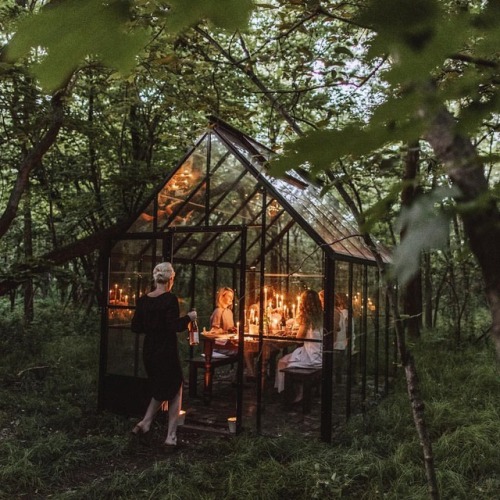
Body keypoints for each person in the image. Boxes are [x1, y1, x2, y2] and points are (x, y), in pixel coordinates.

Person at [130, 262, 197, 447]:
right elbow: (173, 326)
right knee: (175, 387)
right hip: (165, 350)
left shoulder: (143, 300)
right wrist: (189, 318)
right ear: (171, 279)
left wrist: (151, 325)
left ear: (155, 277)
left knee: (161, 386)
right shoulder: (169, 299)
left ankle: (145, 422)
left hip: (149, 350)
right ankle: (170, 437)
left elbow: (135, 327)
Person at [274, 289, 325, 400]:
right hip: (322, 355)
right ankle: (298, 390)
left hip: (312, 358)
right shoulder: (323, 316)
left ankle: (285, 393)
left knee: (282, 362)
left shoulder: (307, 318)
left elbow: (298, 339)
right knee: (287, 359)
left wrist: (296, 329)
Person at [210, 287, 256, 378]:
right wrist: (226, 331)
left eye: (232, 296)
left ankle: (244, 375)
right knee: (245, 350)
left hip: (229, 344)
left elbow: (230, 329)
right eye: (229, 296)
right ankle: (249, 375)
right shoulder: (218, 312)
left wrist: (234, 329)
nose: (232, 298)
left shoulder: (229, 312)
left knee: (249, 348)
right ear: (222, 297)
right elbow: (214, 332)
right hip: (220, 346)